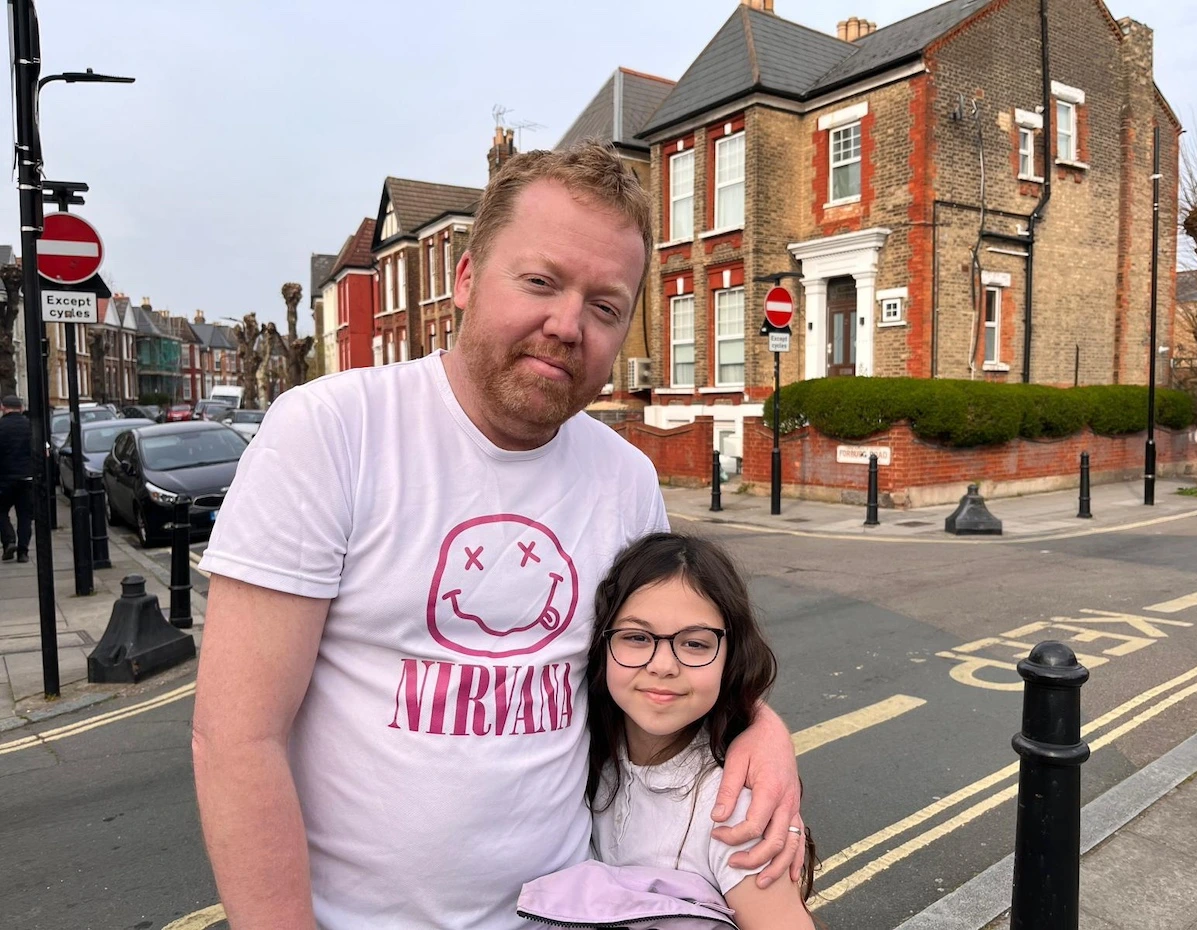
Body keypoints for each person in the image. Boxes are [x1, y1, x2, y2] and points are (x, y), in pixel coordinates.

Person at [192, 141, 805, 929]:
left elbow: (657, 664)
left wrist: (760, 724)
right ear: (466, 279)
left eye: (606, 306)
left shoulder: (625, 479)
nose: (567, 324)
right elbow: (237, 739)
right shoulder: (332, 431)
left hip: (567, 912)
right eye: (541, 281)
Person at [519, 533, 816, 929]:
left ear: (732, 657)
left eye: (694, 644)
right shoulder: (578, 751)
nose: (663, 665)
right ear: (601, 646)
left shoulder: (736, 812)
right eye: (637, 637)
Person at [0, 394, 33, 563]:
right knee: (25, 516)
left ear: (3, 408)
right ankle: (23, 552)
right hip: (26, 478)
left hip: (4, 479)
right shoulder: (30, 426)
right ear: (20, 408)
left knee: (1, 511)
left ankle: (9, 540)